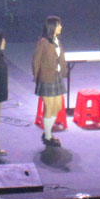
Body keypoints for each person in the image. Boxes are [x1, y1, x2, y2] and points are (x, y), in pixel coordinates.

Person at [32, 16, 67, 147]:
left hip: (56, 76)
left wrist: (63, 71)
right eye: (58, 25)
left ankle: (47, 133)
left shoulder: (57, 40)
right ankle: (47, 136)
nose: (61, 27)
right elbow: (36, 60)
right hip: (46, 78)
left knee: (58, 106)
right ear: (52, 27)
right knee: (50, 107)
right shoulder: (43, 42)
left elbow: (60, 58)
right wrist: (37, 77)